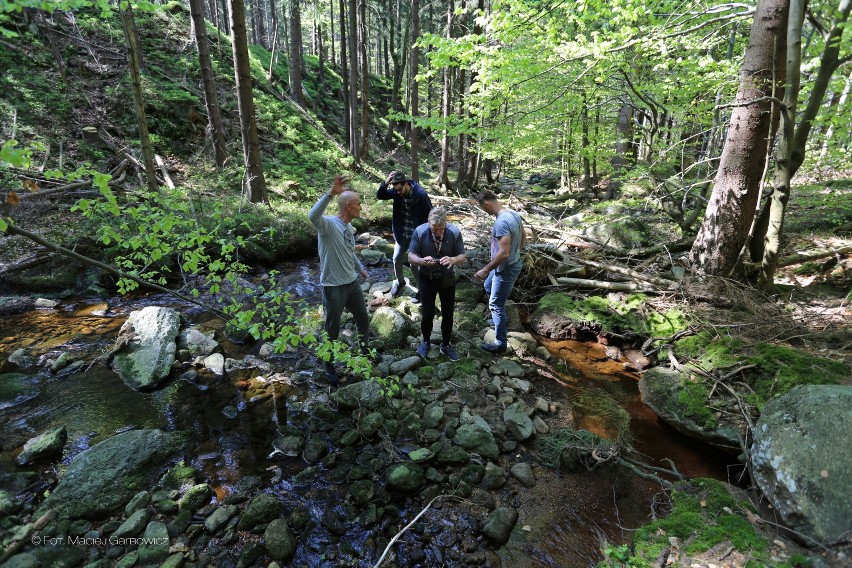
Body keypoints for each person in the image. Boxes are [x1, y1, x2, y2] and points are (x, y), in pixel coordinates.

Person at [308, 175, 379, 383]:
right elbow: (312, 215)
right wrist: (331, 193)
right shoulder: (328, 225)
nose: (361, 207)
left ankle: (364, 351)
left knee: (363, 319)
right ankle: (328, 363)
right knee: (332, 327)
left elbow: (349, 251)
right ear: (348, 206)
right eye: (358, 204)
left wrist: (360, 269)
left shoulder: (348, 228)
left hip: (352, 283)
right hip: (333, 286)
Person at [408, 207, 466, 361]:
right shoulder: (420, 232)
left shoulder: (454, 232)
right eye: (435, 228)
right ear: (429, 223)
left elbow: (462, 256)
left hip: (447, 278)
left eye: (442, 228)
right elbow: (411, 256)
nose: (439, 232)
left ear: (446, 223)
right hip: (426, 277)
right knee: (427, 314)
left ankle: (445, 345)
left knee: (448, 314)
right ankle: (425, 342)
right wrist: (422, 261)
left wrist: (452, 260)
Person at [473, 190, 525, 354]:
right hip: (505, 265)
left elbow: (503, 253)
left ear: (486, 204)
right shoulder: (513, 214)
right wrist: (518, 250)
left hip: (506, 268)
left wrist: (485, 269)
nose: (484, 211)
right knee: (488, 287)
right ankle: (497, 320)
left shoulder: (502, 222)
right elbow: (523, 236)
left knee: (496, 304)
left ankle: (500, 343)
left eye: (483, 208)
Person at [376, 171, 432, 302]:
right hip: (401, 233)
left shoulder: (420, 195)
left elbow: (430, 216)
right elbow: (380, 195)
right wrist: (386, 182)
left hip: (416, 236)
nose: (398, 192)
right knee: (396, 258)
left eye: (400, 189)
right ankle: (400, 282)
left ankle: (421, 292)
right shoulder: (397, 193)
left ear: (406, 184)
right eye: (396, 190)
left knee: (414, 265)